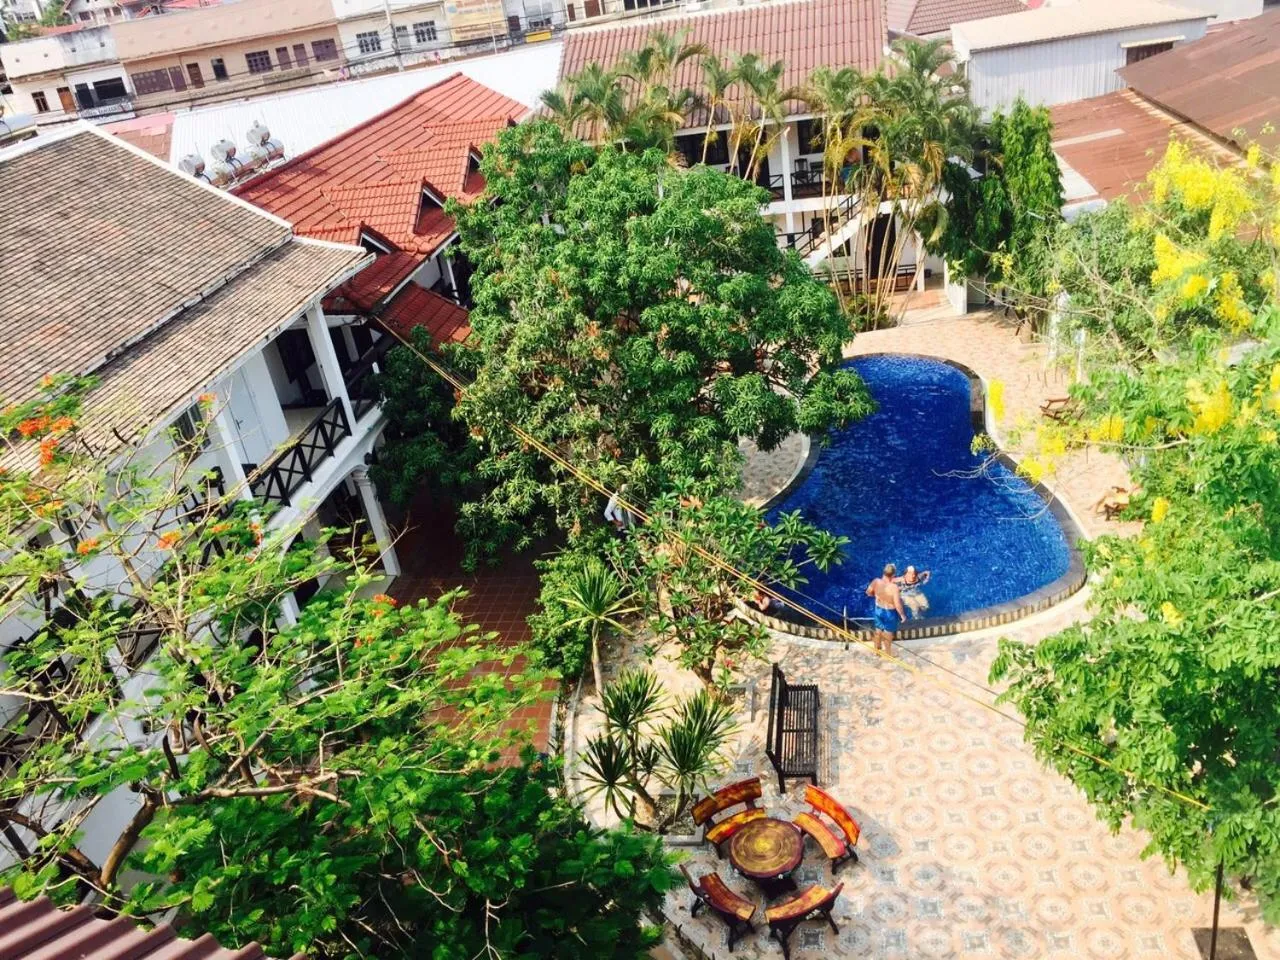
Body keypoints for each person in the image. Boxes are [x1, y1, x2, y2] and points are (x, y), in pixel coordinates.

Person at [865, 563, 906, 654]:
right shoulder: (894, 587)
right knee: (888, 634)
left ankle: (876, 650)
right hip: (889, 613)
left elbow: (868, 592)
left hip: (878, 610)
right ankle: (888, 653)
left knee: (878, 631)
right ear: (894, 575)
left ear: (884, 572)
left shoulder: (876, 581)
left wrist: (876, 595)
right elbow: (897, 604)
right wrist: (902, 615)